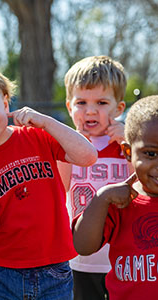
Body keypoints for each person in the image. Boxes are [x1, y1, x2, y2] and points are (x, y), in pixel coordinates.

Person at [0, 60, 98, 300]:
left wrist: (47, 122)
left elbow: (88, 156)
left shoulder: (37, 136)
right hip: (2, 274)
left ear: (5, 103)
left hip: (55, 269)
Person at [59, 55, 132, 300]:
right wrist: (67, 142)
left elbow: (142, 183)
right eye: (81, 102)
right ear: (69, 107)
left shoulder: (127, 146)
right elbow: (59, 188)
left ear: (119, 108)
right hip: (80, 257)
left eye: (101, 102)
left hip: (123, 253)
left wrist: (129, 142)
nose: (90, 111)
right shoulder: (65, 147)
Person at [73, 95, 158, 300]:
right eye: (151, 154)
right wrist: (102, 198)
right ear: (128, 152)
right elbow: (83, 246)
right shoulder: (121, 200)